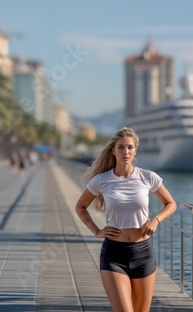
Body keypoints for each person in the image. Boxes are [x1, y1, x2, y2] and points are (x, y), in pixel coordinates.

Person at [75, 127, 177, 312]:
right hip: (114, 255)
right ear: (113, 150)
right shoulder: (101, 180)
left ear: (135, 150)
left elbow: (170, 203)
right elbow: (80, 207)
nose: (126, 151)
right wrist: (97, 231)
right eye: (121, 147)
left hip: (143, 253)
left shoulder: (148, 177)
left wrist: (156, 220)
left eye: (130, 147)